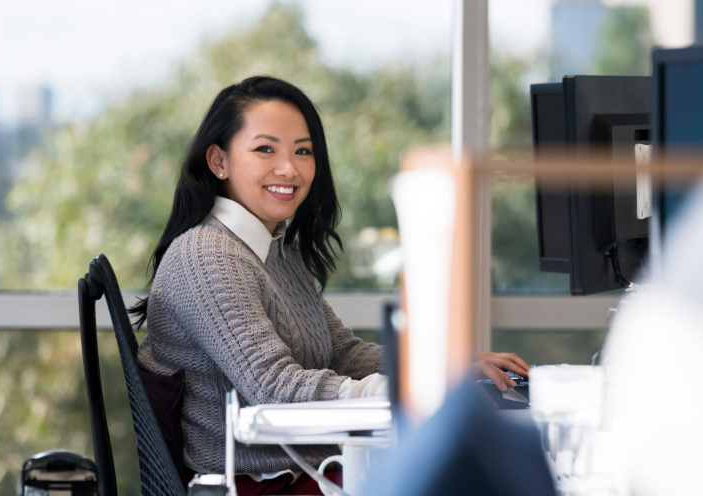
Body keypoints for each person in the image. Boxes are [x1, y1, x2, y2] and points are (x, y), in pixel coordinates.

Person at [132, 76, 530, 495]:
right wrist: (419, 389)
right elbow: (276, 388)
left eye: (302, 151)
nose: (289, 168)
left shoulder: (277, 250)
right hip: (262, 484)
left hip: (310, 470)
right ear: (219, 161)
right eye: (265, 149)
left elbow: (342, 353)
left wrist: (445, 368)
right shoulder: (207, 255)